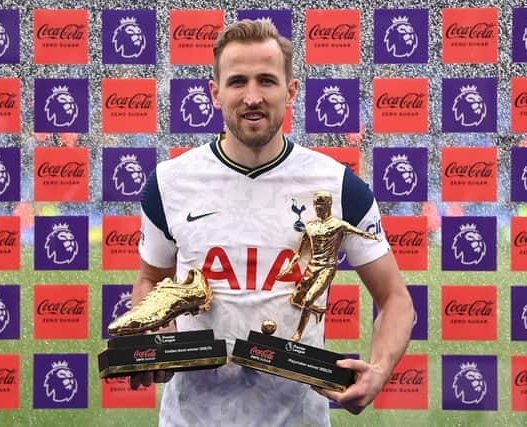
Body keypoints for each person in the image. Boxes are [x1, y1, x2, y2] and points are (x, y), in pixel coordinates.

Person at [132, 18, 414, 425]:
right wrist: (151, 338)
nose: (252, 97)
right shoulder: (168, 183)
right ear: (215, 93)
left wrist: (379, 371)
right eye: (237, 82)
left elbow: (396, 299)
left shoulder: (338, 186)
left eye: (266, 80)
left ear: (291, 90)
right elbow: (150, 280)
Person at [276, 191, 382, 342]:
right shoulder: (310, 227)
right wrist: (287, 270)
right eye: (316, 206)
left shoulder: (338, 225)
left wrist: (374, 236)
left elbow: (358, 232)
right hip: (312, 267)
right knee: (295, 299)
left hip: (328, 267)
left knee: (307, 300)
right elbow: (299, 254)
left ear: (329, 206)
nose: (318, 209)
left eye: (321, 206)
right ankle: (318, 310)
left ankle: (298, 334)